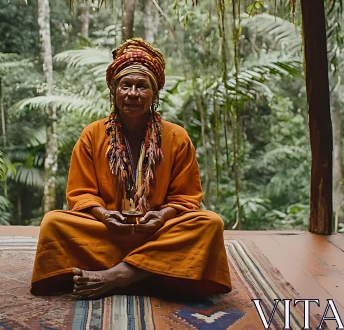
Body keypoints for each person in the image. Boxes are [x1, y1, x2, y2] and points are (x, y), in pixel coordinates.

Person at [30, 38, 231, 299]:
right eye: (126, 85)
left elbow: (186, 198)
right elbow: (80, 194)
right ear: (114, 91)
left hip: (158, 232)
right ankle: (152, 271)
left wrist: (162, 216)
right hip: (108, 232)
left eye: (142, 86)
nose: (133, 93)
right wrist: (104, 215)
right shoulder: (92, 135)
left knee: (209, 224)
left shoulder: (177, 137)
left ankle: (117, 276)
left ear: (155, 94)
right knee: (54, 222)